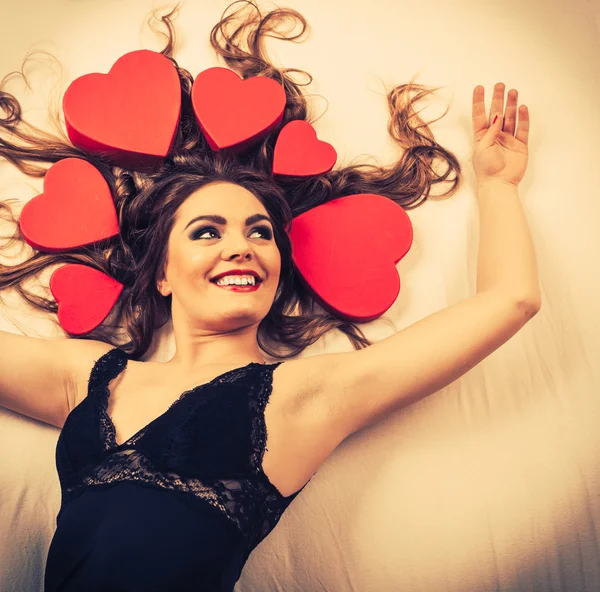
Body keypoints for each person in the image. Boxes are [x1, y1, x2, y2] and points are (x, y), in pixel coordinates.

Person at [0, 1, 540, 590]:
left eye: (261, 233)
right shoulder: (86, 377)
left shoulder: (305, 397)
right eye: (207, 231)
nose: (244, 247)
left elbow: (512, 300)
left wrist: (499, 185)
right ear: (161, 274)